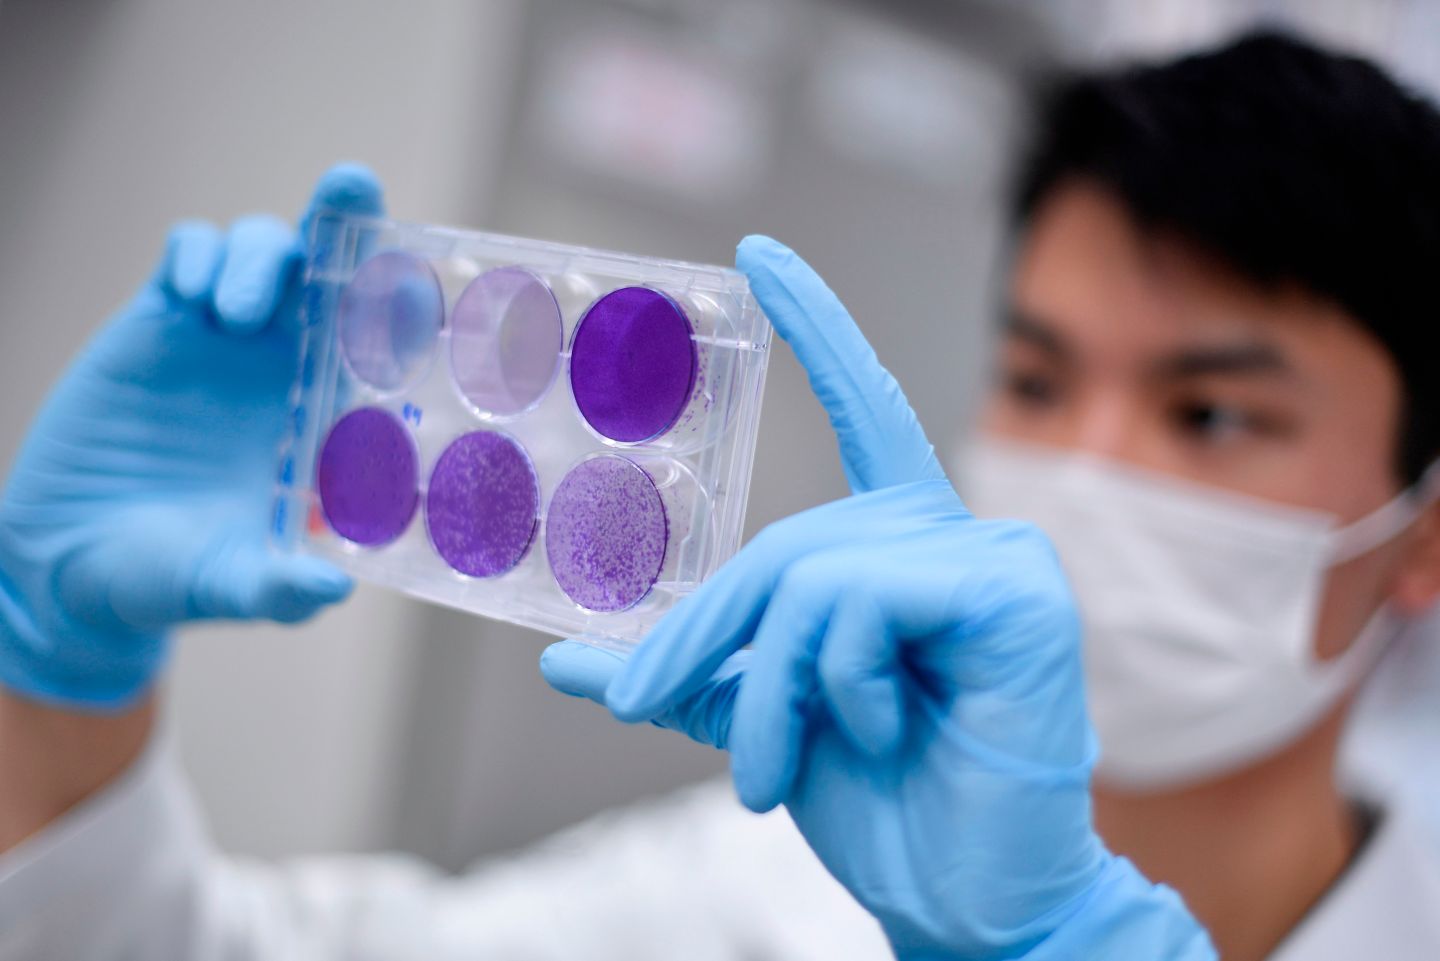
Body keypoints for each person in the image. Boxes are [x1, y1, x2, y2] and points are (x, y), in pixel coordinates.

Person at [0, 26, 1433, 961]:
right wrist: (57, 674)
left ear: (1423, 540)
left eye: (1211, 410)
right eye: (1040, 382)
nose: (1092, 468)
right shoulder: (775, 892)